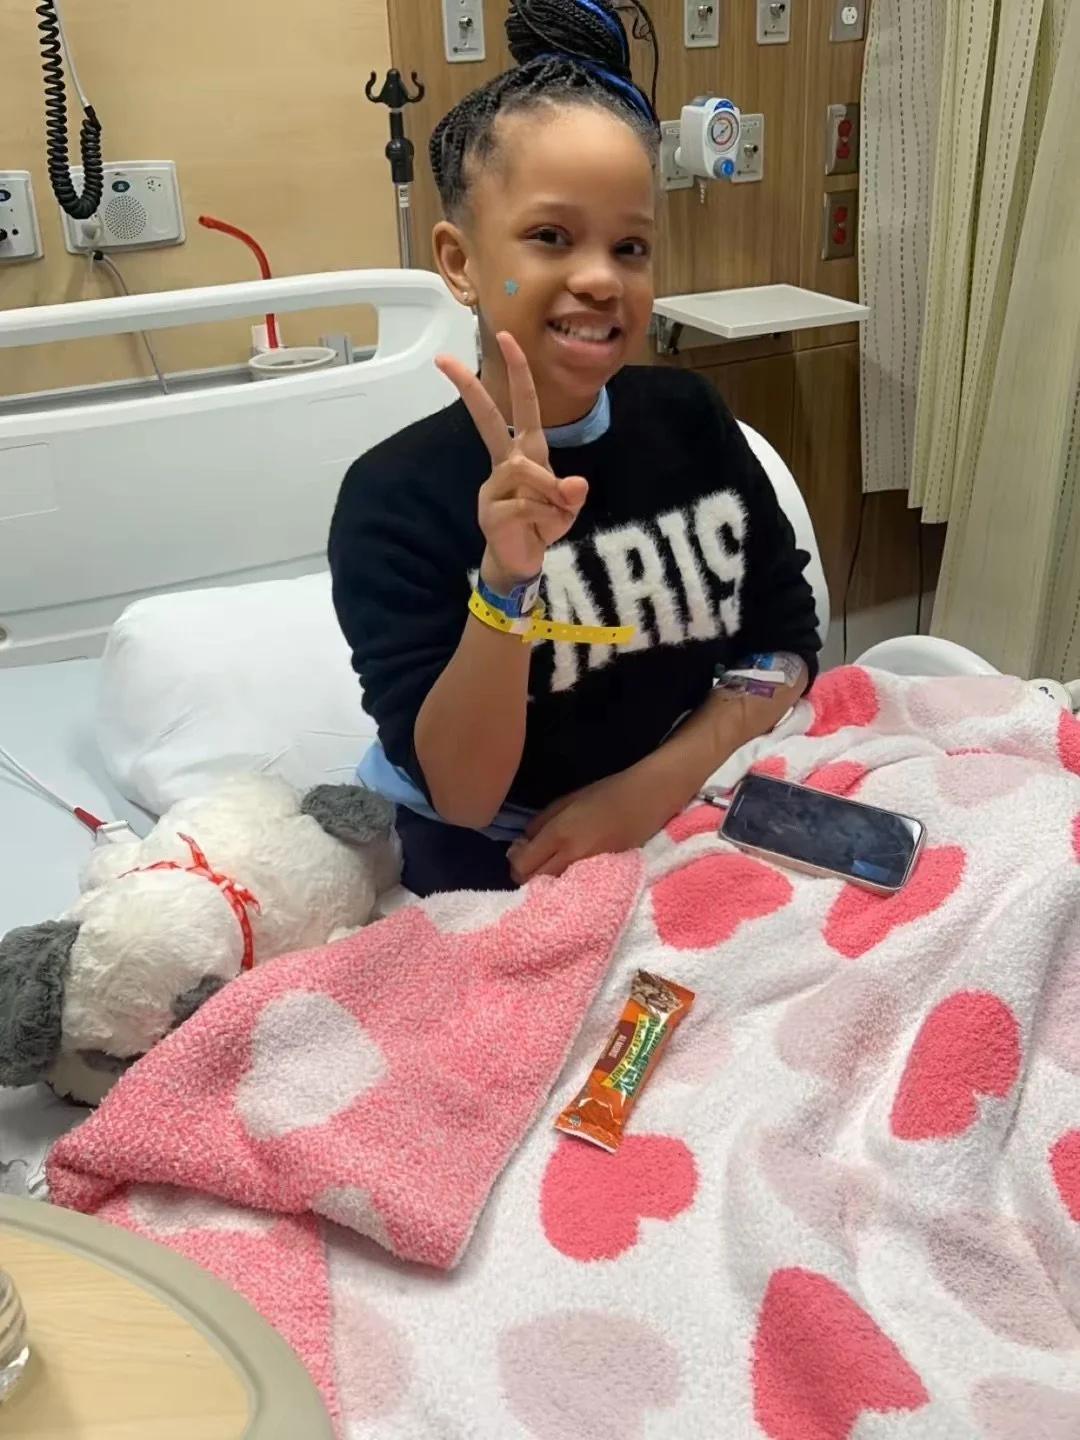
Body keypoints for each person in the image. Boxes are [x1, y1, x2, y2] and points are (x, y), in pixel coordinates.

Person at [329, 0, 820, 897]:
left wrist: (655, 783)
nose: (600, 277)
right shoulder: (392, 498)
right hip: (491, 850)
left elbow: (785, 645)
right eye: (551, 237)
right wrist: (505, 587)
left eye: (630, 246)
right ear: (460, 260)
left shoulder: (692, 420)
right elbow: (465, 796)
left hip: (676, 800)